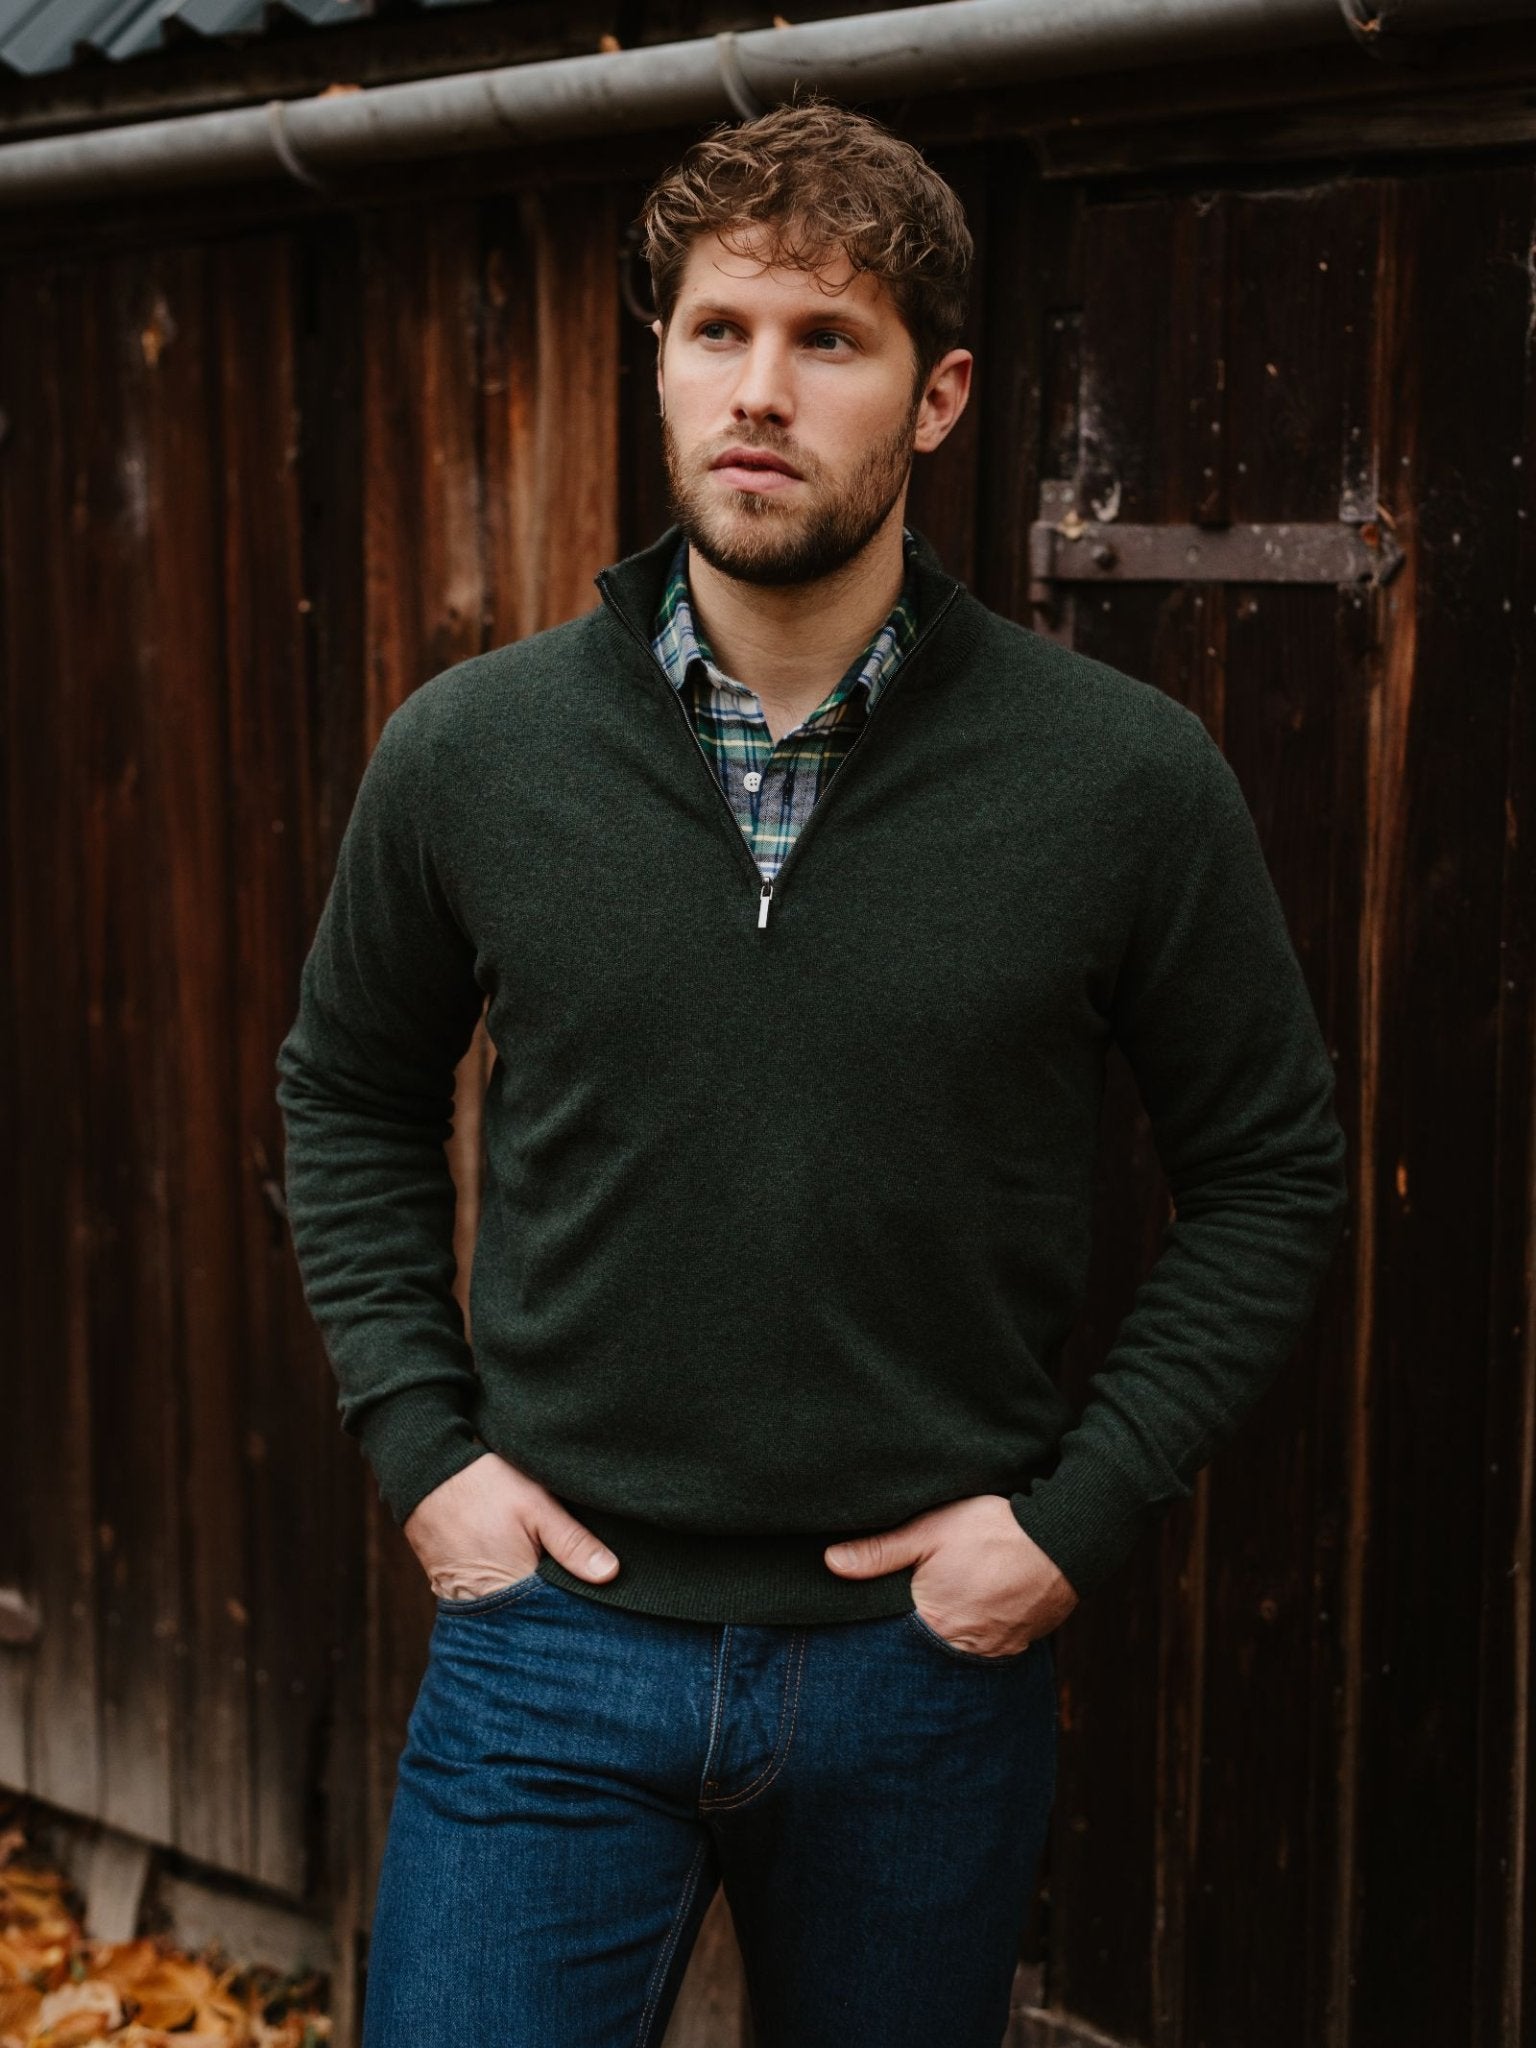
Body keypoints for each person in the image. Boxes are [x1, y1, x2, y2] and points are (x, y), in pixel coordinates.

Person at [275, 95, 1349, 2048]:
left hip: (919, 1667)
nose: (759, 391)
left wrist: (1073, 1517)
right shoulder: (475, 752)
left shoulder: (1115, 779)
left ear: (937, 395)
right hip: (552, 1653)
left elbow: (1272, 1172)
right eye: (718, 331)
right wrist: (429, 1459)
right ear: (663, 363)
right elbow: (343, 1095)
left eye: (826, 340)